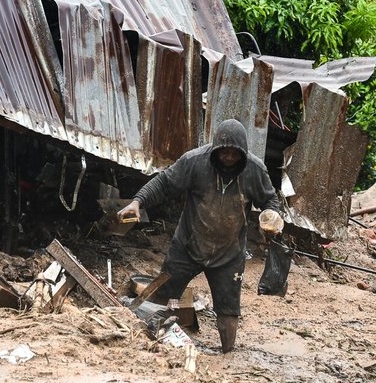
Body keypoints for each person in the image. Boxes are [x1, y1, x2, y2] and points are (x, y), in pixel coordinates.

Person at [118, 119, 283, 353]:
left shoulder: (255, 170)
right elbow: (164, 183)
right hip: (187, 246)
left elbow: (270, 200)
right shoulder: (194, 162)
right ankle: (149, 336)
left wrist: (271, 217)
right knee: (165, 295)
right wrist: (138, 201)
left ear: (243, 153)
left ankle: (227, 354)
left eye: (234, 153)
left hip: (229, 254)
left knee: (228, 309)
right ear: (214, 149)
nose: (228, 157)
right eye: (223, 152)